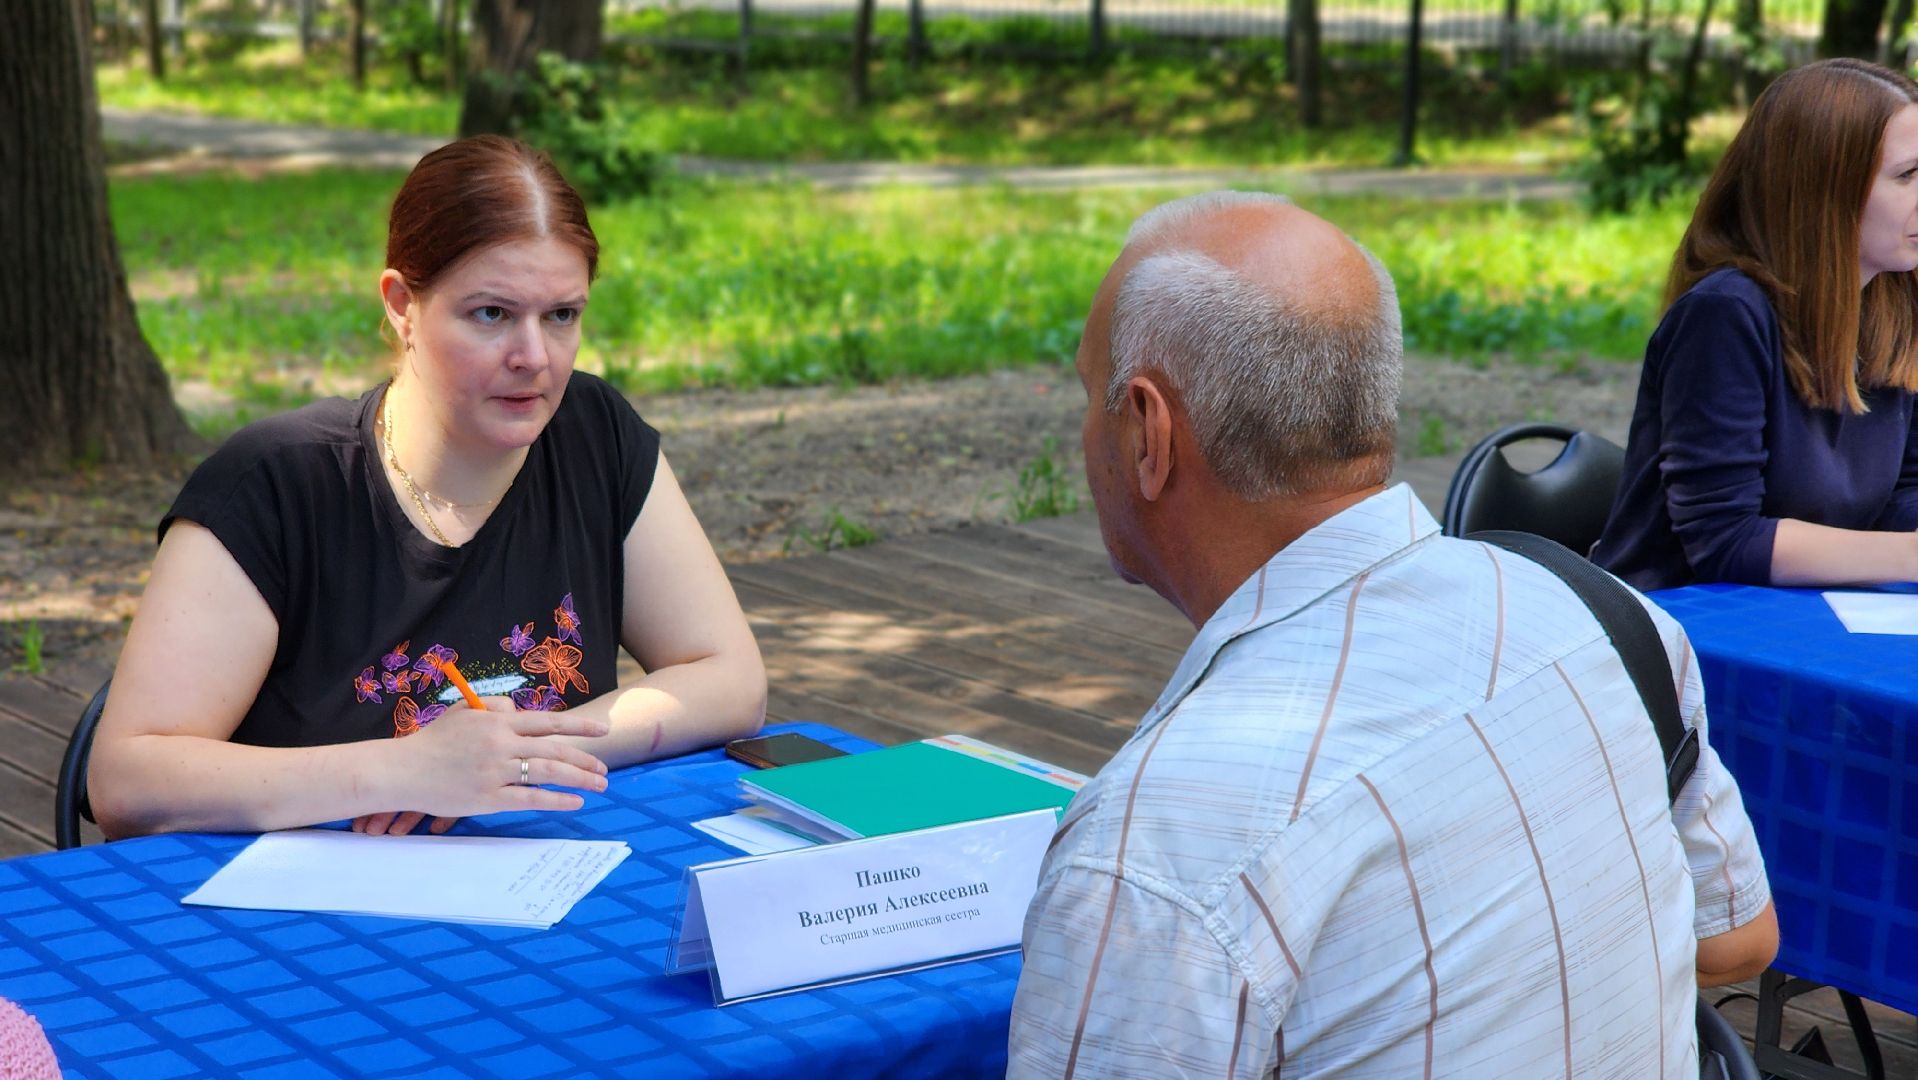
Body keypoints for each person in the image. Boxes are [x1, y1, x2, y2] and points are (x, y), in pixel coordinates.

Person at [1007, 191, 1778, 1077]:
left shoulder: (1153, 851)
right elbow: (1738, 939)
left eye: (1086, 394)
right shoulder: (1604, 617)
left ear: (1149, 432)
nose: (1080, 431)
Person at [89, 136, 767, 840]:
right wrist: (402, 770)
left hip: (532, 880)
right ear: (402, 306)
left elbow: (731, 680)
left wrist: (520, 757)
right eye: (492, 314)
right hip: (298, 907)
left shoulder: (595, 435)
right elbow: (128, 778)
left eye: (562, 315)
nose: (533, 357)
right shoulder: (275, 486)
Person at [1594, 58, 1918, 591]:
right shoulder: (1724, 314)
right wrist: (1910, 555)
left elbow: (1903, 494)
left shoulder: (1894, 299)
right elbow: (1725, 541)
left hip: (1809, 617)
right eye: (1906, 175)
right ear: (1823, 188)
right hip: (1683, 636)